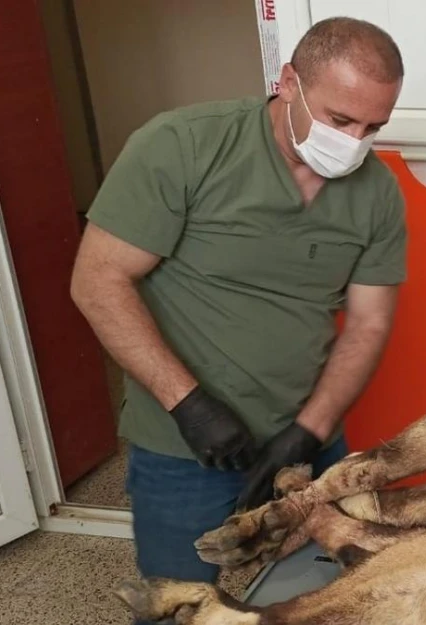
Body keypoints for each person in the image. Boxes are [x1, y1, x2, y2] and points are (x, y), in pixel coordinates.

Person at [69, 16, 407, 616]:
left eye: (373, 127)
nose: (355, 142)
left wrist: (309, 428)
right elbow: (97, 280)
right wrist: (187, 403)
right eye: (340, 120)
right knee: (184, 605)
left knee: (327, 599)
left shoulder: (376, 193)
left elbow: (369, 324)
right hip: (188, 449)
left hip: (309, 446)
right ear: (288, 83)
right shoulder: (185, 146)